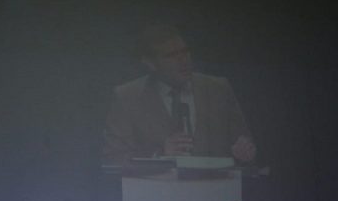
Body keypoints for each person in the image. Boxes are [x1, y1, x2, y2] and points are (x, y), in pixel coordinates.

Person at [102, 24, 257, 166]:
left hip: (216, 191)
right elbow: (113, 157)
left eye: (185, 51)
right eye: (171, 55)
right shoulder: (127, 97)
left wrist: (244, 151)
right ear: (150, 63)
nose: (183, 60)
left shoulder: (218, 89)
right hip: (154, 193)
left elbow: (244, 142)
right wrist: (159, 154)